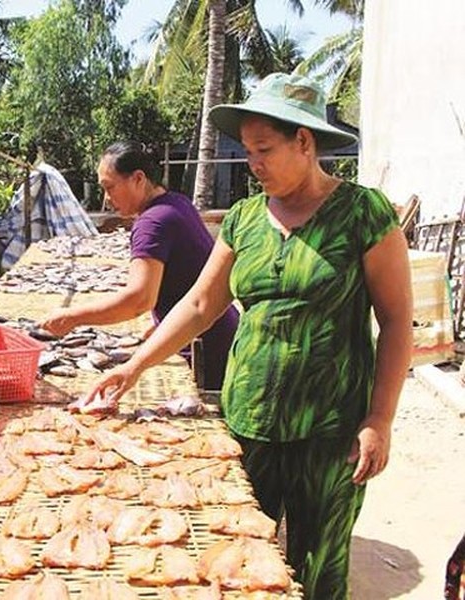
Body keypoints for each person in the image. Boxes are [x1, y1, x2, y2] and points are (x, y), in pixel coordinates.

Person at [87, 73, 413, 599]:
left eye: (264, 150)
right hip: (250, 421)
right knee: (237, 559)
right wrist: (134, 365)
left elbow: (398, 320)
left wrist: (380, 418)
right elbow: (198, 306)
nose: (252, 163)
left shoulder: (363, 214)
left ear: (304, 143)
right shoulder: (243, 219)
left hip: (330, 432)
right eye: (248, 151)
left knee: (320, 568)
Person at [40, 141, 239, 389]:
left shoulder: (152, 223)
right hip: (221, 332)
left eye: (109, 187)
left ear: (138, 178)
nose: (106, 199)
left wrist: (73, 317)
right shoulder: (177, 203)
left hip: (206, 349)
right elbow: (184, 278)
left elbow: (140, 299)